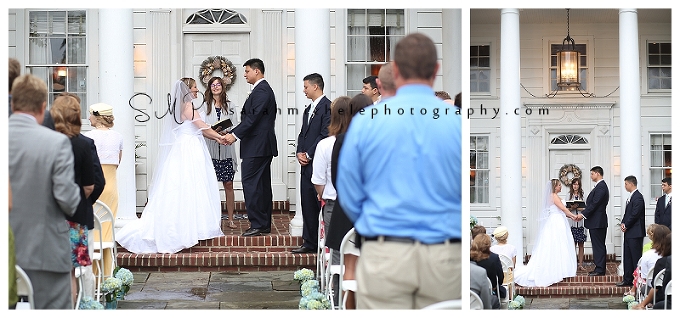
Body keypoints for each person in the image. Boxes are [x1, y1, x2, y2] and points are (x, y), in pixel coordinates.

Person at [337, 33, 461, 309]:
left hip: (385, 252)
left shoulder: (367, 122)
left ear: (397, 69)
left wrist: (377, 222)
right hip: (446, 256)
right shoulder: (457, 122)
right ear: (436, 70)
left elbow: (348, 190)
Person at [116, 79, 226, 253]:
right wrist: (220, 137)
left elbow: (202, 129)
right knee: (190, 184)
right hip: (189, 148)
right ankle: (189, 228)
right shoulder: (188, 106)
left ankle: (192, 224)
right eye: (195, 87)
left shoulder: (182, 106)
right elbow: (202, 127)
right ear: (187, 90)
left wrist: (216, 135)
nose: (197, 90)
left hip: (187, 145)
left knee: (185, 185)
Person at [9, 74, 81, 309]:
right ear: (43, 108)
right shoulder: (55, 143)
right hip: (45, 253)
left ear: (13, 104)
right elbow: (69, 202)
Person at [324, 93, 374, 309]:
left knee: (346, 265)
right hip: (372, 211)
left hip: (345, 212)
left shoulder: (343, 140)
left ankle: (344, 306)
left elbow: (336, 178)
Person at [224, 58, 278, 237]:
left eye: (247, 71)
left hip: (258, 146)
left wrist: (234, 135)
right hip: (259, 145)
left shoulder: (262, 91)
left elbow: (252, 119)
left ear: (257, 71)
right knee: (260, 185)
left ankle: (257, 223)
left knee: (252, 184)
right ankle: (262, 224)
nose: (245, 75)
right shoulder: (261, 90)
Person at [50, 95, 96, 307]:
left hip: (46, 217)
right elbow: (90, 186)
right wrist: (74, 204)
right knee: (71, 272)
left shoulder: (45, 141)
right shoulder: (84, 144)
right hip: (74, 219)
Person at [292, 73, 331, 253]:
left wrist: (309, 154)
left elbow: (325, 134)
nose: (304, 90)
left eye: (306, 87)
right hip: (305, 164)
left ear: (316, 86)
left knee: (319, 204)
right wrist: (300, 152)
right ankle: (309, 241)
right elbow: (303, 134)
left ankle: (322, 241)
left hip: (318, 163)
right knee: (306, 202)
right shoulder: (308, 109)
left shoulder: (328, 107)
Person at [513, 179, 577, 287]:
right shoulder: (553, 196)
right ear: (554, 186)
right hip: (556, 222)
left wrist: (570, 216)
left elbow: (562, 211)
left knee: (561, 244)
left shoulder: (555, 196)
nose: (561, 187)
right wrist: (574, 216)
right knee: (556, 243)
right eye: (559, 185)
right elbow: (563, 209)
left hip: (560, 220)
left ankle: (561, 268)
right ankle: (556, 269)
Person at [84, 102, 123, 274]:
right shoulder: (118, 137)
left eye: (90, 114)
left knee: (92, 229)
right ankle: (107, 274)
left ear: (97, 116)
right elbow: (118, 162)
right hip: (111, 188)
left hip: (93, 186)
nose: (88, 117)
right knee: (107, 230)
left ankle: (92, 274)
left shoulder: (88, 137)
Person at [203, 76, 240, 229]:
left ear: (222, 87)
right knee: (209, 185)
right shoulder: (204, 106)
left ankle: (231, 218)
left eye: (218, 84)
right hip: (210, 149)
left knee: (228, 183)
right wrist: (213, 130)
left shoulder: (230, 106)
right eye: (213, 84)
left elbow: (236, 125)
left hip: (226, 148)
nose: (216, 87)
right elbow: (202, 126)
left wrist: (227, 132)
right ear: (209, 88)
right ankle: (211, 219)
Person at [578, 165, 610, 276]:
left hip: (598, 221)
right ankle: (598, 267)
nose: (591, 176)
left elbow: (595, 204)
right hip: (595, 221)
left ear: (597, 173)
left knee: (599, 245)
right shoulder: (599, 186)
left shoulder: (601, 187)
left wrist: (583, 215)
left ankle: (600, 269)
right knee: (597, 245)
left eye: (592, 174)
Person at [618, 175, 646, 287]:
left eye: (626, 184)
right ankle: (627, 279)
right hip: (629, 232)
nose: (625, 186)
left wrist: (627, 224)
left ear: (631, 184)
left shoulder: (638, 197)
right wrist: (623, 223)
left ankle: (637, 281)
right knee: (627, 257)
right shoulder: (631, 197)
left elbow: (635, 214)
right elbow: (627, 214)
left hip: (635, 232)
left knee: (635, 257)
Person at [624, 224, 666, 298]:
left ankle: (634, 291)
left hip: (652, 284)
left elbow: (644, 275)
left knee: (639, 271)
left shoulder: (648, 253)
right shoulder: (667, 254)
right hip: (667, 284)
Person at [633, 232, 672, 309]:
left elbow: (655, 285)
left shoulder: (663, 261)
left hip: (665, 296)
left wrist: (642, 304)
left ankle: (649, 303)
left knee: (646, 288)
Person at [470, 233, 504, 309]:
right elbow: (500, 278)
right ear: (488, 244)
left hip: (471, 293)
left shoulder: (469, 256)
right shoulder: (494, 257)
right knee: (495, 300)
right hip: (490, 292)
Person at [567, 177, 587, 270]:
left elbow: (586, 208)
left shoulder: (583, 195)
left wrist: (579, 208)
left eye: (577, 184)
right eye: (574, 184)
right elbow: (566, 209)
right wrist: (572, 208)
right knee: (572, 244)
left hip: (581, 222)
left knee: (581, 244)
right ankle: (572, 263)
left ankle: (580, 264)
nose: (575, 186)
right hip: (572, 223)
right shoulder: (568, 195)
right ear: (572, 185)